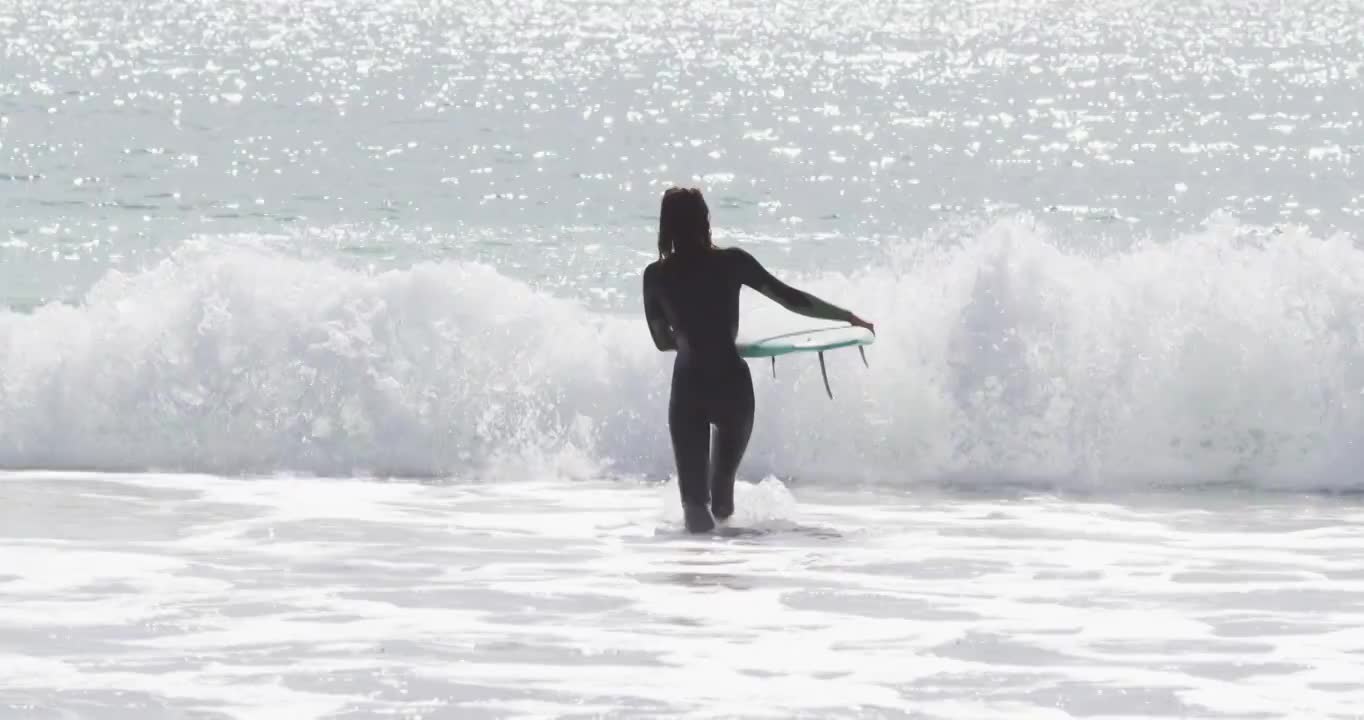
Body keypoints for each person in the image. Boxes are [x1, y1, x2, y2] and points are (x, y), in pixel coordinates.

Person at [642, 187, 873, 533]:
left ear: (666, 226)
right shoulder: (732, 262)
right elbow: (790, 299)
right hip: (732, 387)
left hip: (690, 388)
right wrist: (846, 316)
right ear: (704, 220)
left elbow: (662, 342)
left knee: (694, 505)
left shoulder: (656, 277)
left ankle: (697, 576)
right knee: (721, 500)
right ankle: (730, 569)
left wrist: (692, 337)